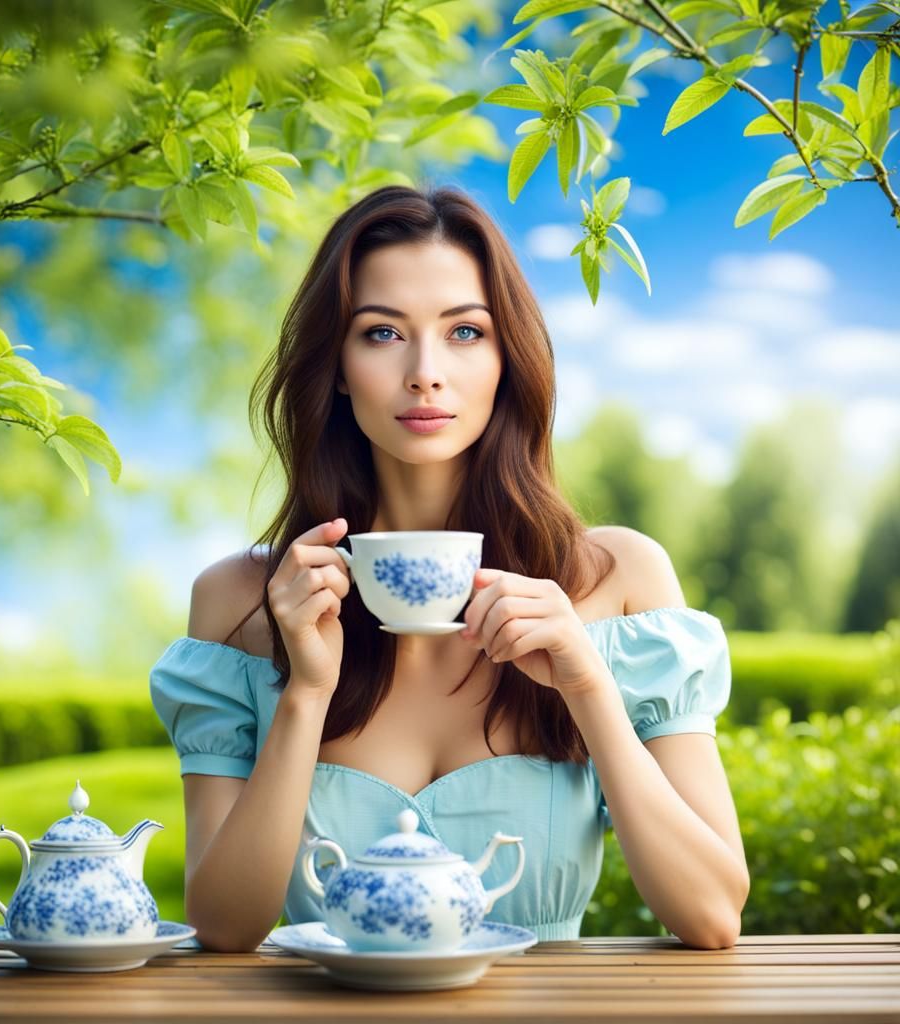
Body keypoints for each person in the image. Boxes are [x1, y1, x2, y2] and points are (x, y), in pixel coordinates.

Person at [149, 184, 750, 953]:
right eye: (381, 334)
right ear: (335, 365)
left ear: (508, 359)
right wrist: (304, 694)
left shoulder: (617, 576)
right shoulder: (242, 600)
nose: (425, 372)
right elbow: (225, 928)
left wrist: (587, 684)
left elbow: (710, 915)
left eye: (465, 332)